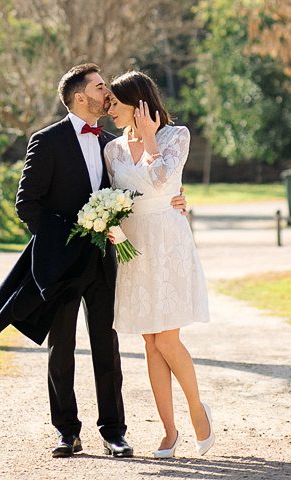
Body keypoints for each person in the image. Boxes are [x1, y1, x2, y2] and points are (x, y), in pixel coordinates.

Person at [0, 63, 188, 459]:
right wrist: (64, 239)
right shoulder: (45, 141)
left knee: (107, 347)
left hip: (103, 261)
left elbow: (139, 190)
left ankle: (114, 432)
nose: (107, 94)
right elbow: (26, 205)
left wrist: (177, 202)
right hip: (61, 264)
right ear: (81, 96)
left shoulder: (111, 143)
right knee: (60, 349)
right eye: (100, 88)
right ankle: (67, 432)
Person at [105, 69, 213, 460]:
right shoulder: (112, 150)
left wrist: (149, 137)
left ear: (139, 103)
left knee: (167, 338)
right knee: (150, 342)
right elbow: (113, 196)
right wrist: (108, 224)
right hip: (134, 249)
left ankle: (198, 411)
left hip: (168, 243)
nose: (109, 110)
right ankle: (169, 431)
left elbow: (163, 177)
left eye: (115, 103)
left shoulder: (176, 136)